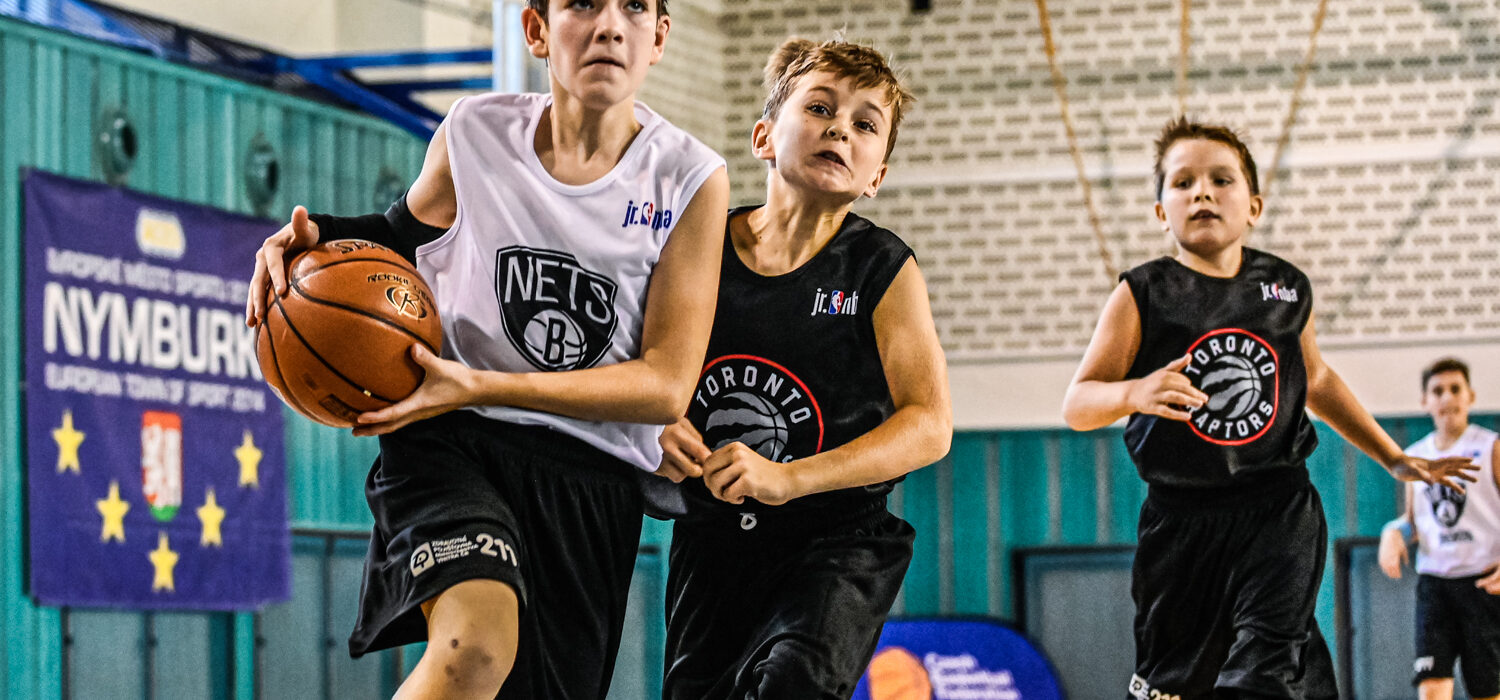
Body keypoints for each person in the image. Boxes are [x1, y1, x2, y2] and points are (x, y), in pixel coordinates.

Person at [244, 0, 729, 697]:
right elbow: (399, 236)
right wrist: (311, 242)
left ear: (658, 36)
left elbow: (665, 385)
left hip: (588, 477)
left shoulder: (690, 177)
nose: (610, 25)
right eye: (583, 3)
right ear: (536, 29)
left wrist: (485, 384)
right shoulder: (475, 131)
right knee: (474, 647)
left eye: (633, 7)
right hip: (450, 440)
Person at [1060, 116, 1476, 700]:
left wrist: (1392, 457)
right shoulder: (1142, 293)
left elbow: (1318, 379)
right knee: (1173, 682)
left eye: (1220, 179)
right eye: (1183, 183)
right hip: (1181, 521)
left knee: (1264, 663)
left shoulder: (1284, 288)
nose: (1202, 193)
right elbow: (1078, 404)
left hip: (1277, 504)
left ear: (1253, 206)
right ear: (1160, 212)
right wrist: (1133, 392)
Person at [649, 37, 952, 700]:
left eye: (865, 124)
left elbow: (930, 426)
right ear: (763, 136)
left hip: (835, 539)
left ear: (875, 177)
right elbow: (640, 367)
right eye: (820, 108)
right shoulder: (697, 248)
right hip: (714, 539)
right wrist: (650, 429)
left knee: (796, 681)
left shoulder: (882, 268)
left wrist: (790, 478)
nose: (840, 128)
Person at [1378, 357, 1500, 700]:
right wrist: (1393, 532)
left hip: (1483, 583)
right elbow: (1413, 522)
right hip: (1435, 585)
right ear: (1425, 401)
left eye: (1455, 389)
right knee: (1432, 688)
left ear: (1470, 396)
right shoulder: (1415, 457)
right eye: (1438, 391)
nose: (1447, 397)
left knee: (1486, 691)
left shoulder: (1490, 447)